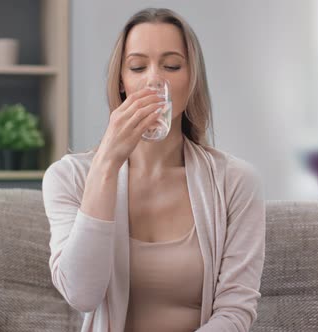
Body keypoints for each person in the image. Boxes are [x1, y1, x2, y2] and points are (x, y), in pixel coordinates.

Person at [42, 7, 266, 332]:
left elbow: (235, 312)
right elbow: (81, 294)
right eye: (137, 66)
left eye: (171, 65)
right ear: (121, 82)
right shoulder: (68, 178)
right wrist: (106, 165)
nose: (154, 79)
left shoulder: (236, 182)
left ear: (192, 82)